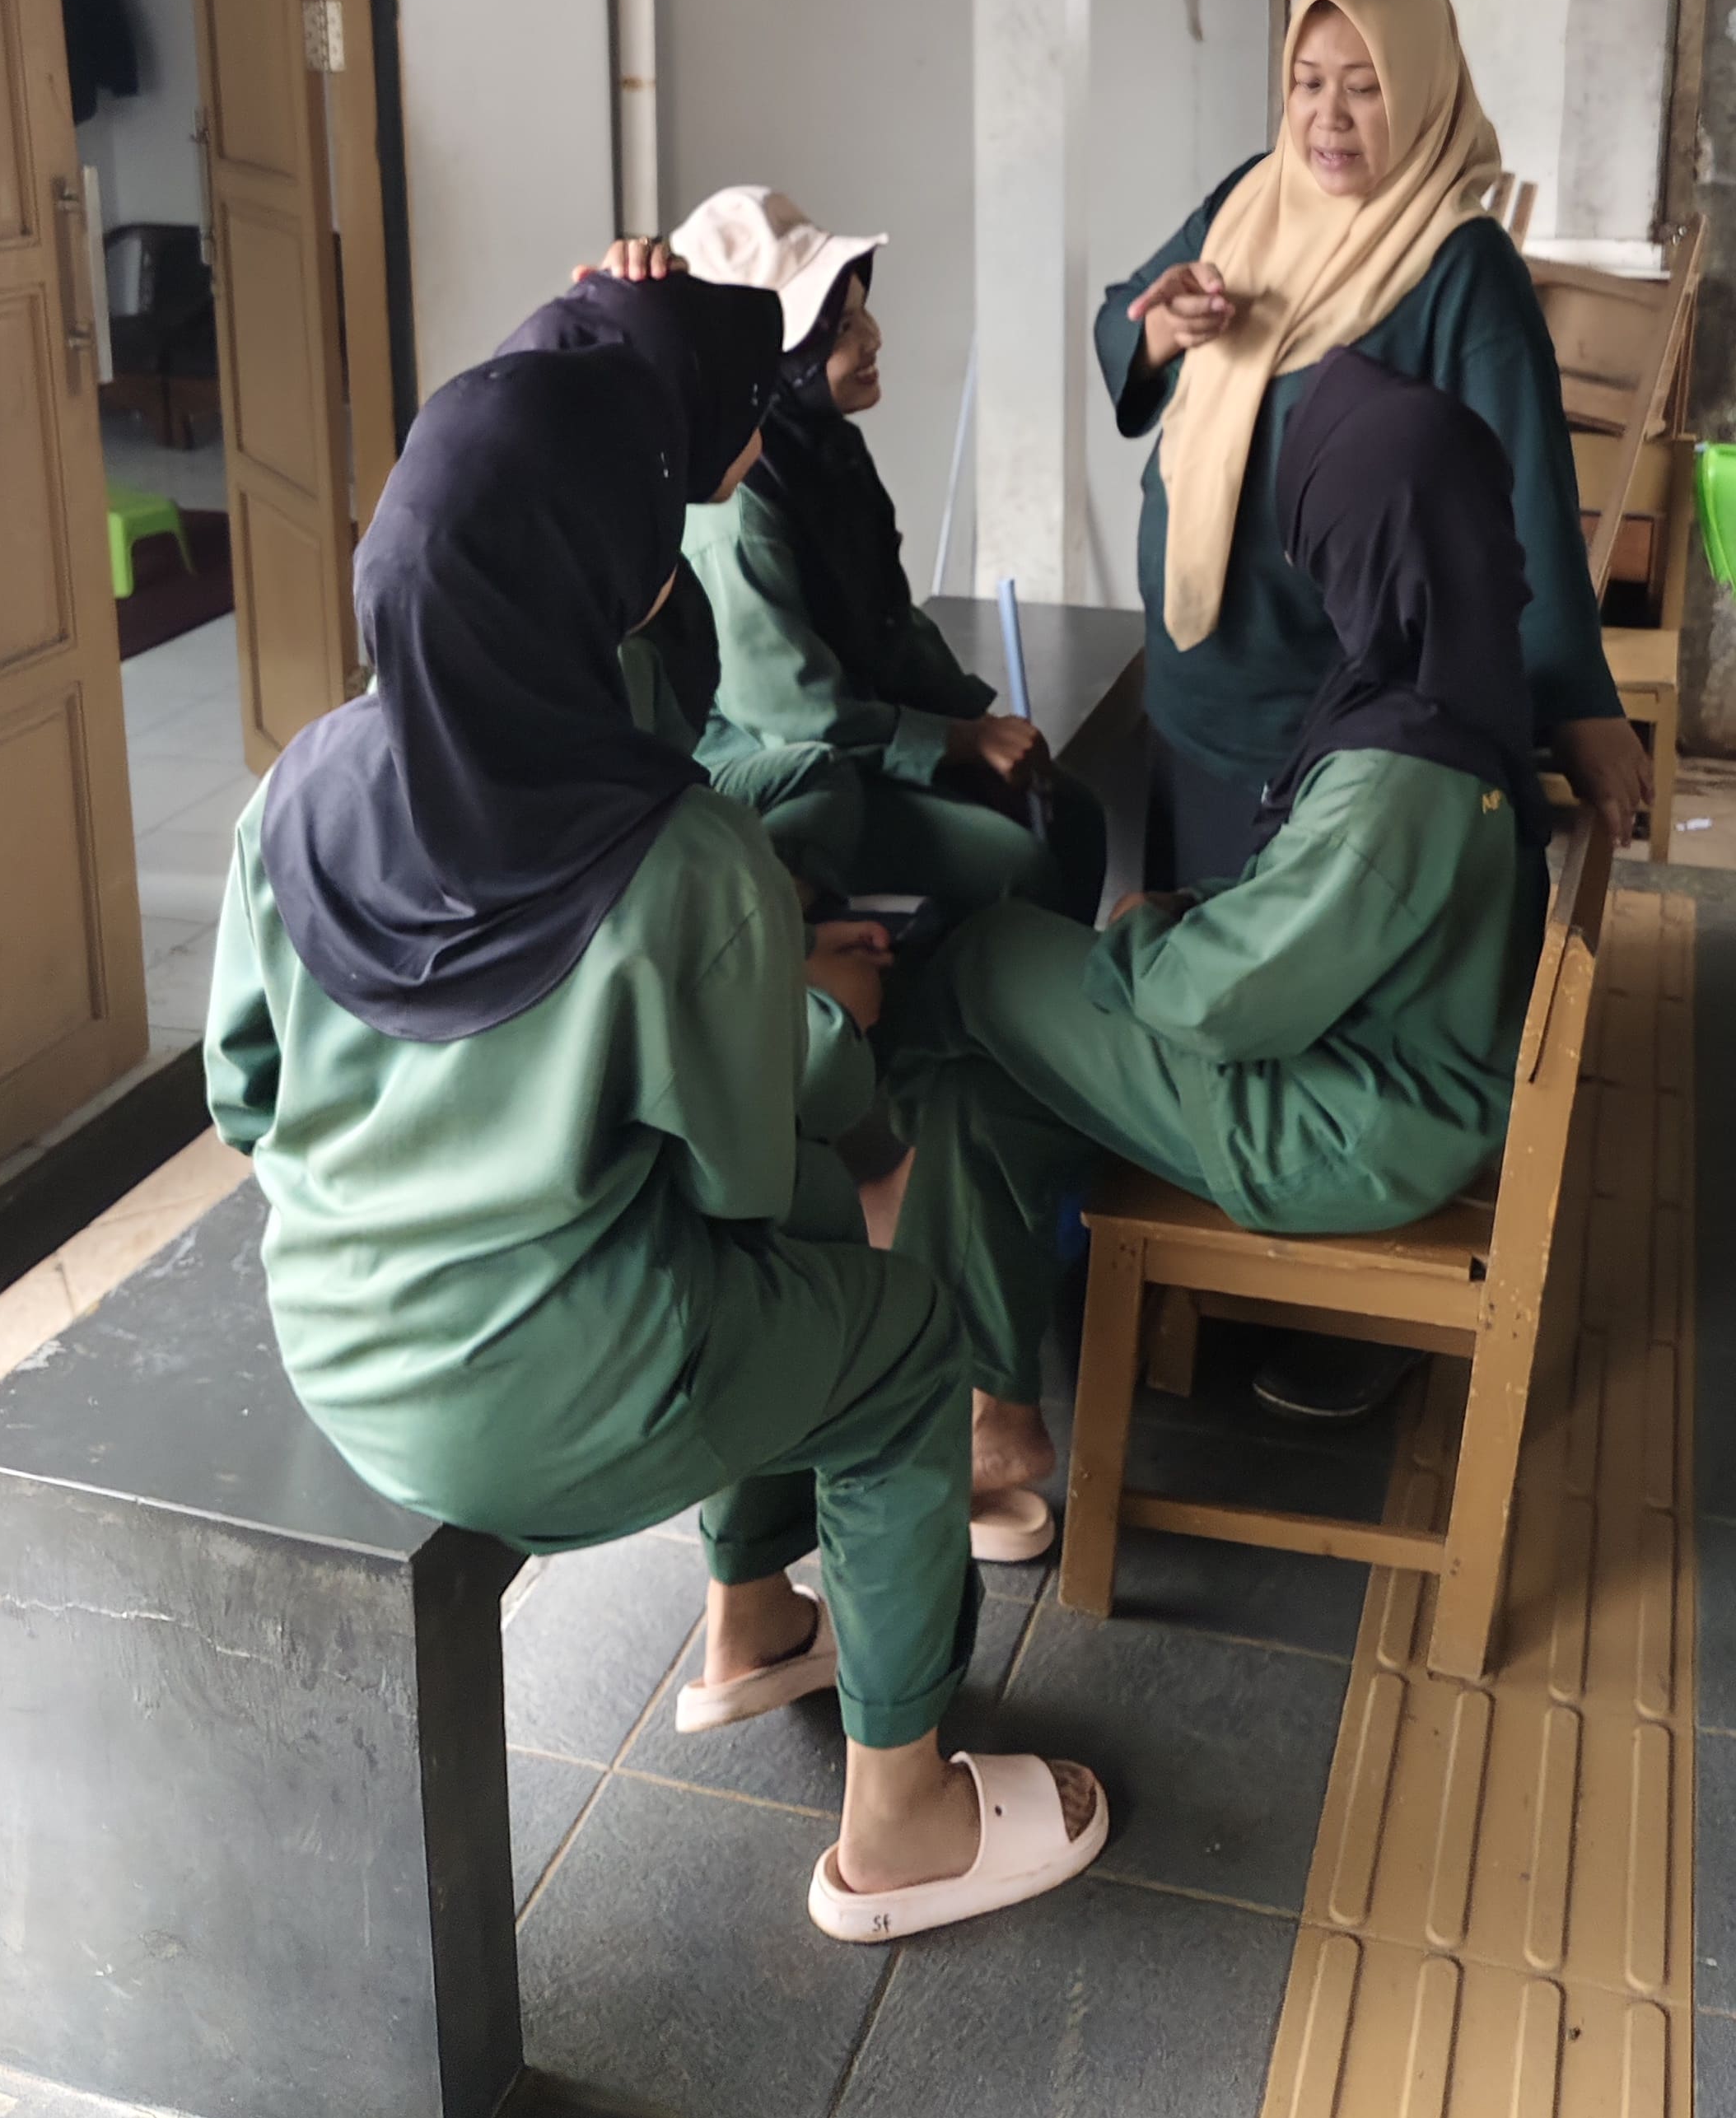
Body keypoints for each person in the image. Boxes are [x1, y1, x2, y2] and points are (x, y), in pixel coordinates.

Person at [201, 279, 1105, 1939]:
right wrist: (809, 1016)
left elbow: (244, 1095)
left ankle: (754, 1623)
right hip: (555, 1395)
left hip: (338, 1348)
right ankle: (902, 1820)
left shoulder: (300, 788)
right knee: (897, 1338)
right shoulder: (682, 862)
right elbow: (744, 1179)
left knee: (782, 1260)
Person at [1094, 0, 1640, 1420]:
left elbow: (1521, 516)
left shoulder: (1456, 270)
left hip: (1337, 724)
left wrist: (1578, 706)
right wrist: (1156, 329)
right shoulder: (1245, 201)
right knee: (1225, 986)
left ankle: (1350, 1299)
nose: (1329, 119)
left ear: (1426, 92)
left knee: (1339, 995)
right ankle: (1216, 1266)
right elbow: (1120, 321)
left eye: (1365, 88)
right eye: (1307, 83)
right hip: (1203, 695)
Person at [881, 355, 1555, 1500]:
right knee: (989, 1078)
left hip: (1338, 1126)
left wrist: (1144, 938)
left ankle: (856, 1190)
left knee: (986, 958)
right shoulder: (1451, 673)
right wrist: (1184, 918)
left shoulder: (1401, 776)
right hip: (1382, 1080)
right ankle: (998, 1413)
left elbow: (1228, 1003)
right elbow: (1314, 921)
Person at [647, 185, 1106, 923]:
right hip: (786, 774)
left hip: (852, 739)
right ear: (772, 356)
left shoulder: (823, 452)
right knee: (1019, 865)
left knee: (1072, 815)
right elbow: (794, 719)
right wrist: (957, 743)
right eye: (840, 328)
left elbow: (887, 618)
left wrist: (978, 723)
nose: (875, 338)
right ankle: (932, 995)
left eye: (863, 313)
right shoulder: (737, 512)